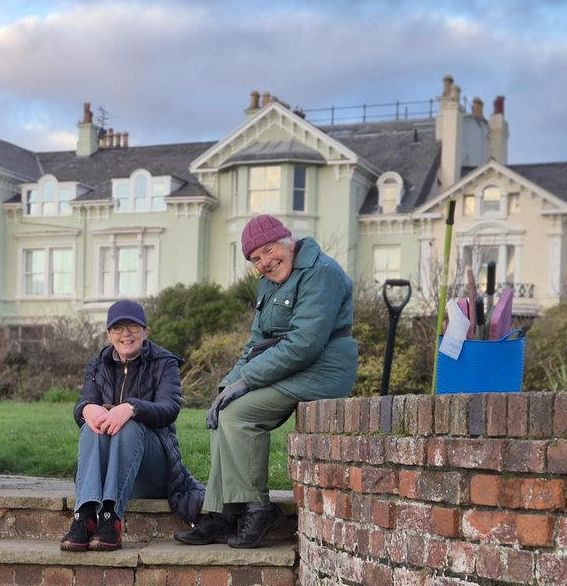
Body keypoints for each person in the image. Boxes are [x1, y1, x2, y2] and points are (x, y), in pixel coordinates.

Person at [175, 215, 358, 549]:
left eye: (269, 250)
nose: (265, 262)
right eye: (255, 259)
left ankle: (259, 509)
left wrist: (247, 381)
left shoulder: (322, 273)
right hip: (288, 367)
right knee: (224, 410)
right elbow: (256, 344)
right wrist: (228, 385)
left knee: (239, 414)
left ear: (288, 242)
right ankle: (224, 511)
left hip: (322, 369)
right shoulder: (269, 283)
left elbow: (304, 344)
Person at [61, 300, 205, 551]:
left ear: (145, 332)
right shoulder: (98, 365)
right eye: (118, 327)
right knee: (91, 426)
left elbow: (169, 408)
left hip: (151, 471)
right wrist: (86, 409)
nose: (125, 333)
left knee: (130, 426)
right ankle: (84, 517)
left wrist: (131, 408)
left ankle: (110, 519)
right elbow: (85, 401)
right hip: (108, 475)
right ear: (109, 335)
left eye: (133, 326)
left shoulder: (164, 362)